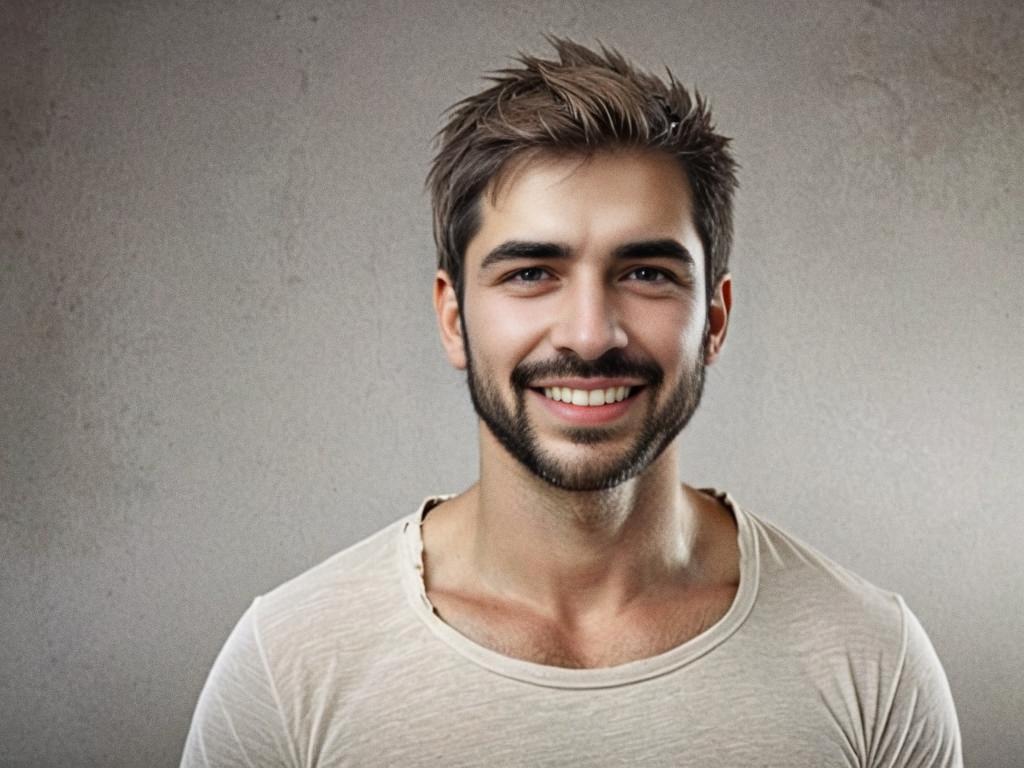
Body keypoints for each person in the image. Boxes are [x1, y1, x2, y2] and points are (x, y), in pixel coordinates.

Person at [181, 37, 962, 766]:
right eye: (530, 273)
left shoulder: (872, 662)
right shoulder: (288, 669)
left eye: (646, 271)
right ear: (454, 318)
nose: (589, 335)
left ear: (715, 320)